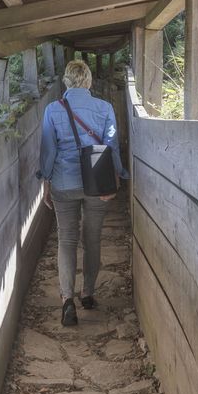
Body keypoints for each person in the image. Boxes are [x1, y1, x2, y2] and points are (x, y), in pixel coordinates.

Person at [37, 59, 130, 327]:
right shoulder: (104, 108)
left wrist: (45, 181)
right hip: (96, 184)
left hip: (64, 184)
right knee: (92, 239)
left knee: (66, 240)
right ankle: (87, 293)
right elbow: (111, 144)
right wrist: (117, 175)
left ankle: (67, 299)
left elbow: (48, 151)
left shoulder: (53, 110)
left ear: (66, 81)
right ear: (88, 81)